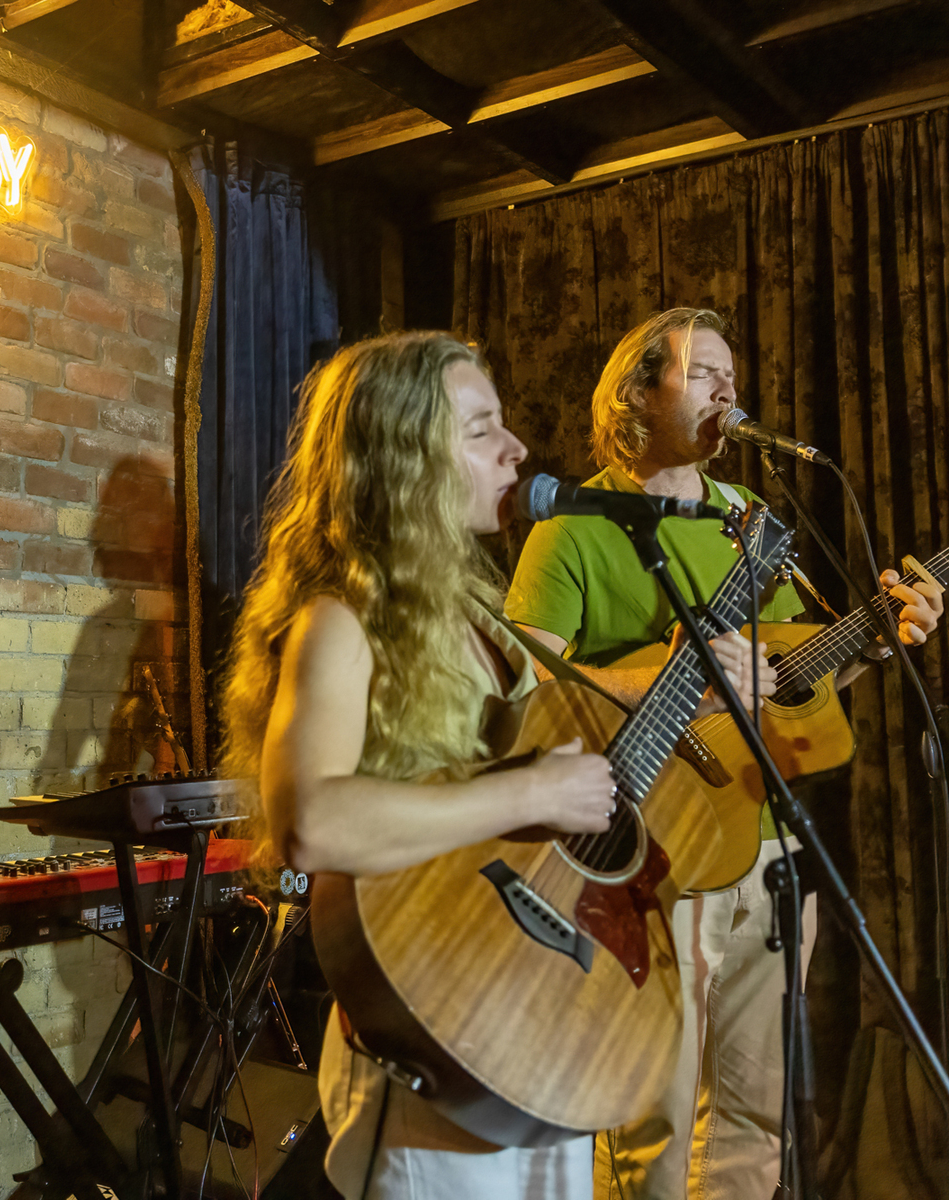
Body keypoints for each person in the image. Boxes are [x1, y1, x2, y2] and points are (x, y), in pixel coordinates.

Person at [221, 331, 743, 1199]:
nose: (518, 448)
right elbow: (312, 821)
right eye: (481, 430)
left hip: (535, 1018)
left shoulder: (483, 620)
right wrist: (532, 791)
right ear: (405, 460)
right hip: (438, 1021)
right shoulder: (338, 621)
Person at [504, 308, 945, 1200]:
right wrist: (665, 680)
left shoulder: (750, 520)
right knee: (651, 1122)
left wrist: (876, 642)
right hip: (653, 856)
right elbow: (518, 690)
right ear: (638, 393)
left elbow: (785, 679)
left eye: (730, 374)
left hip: (767, 852)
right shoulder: (575, 526)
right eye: (703, 371)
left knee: (756, 1121)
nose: (728, 389)